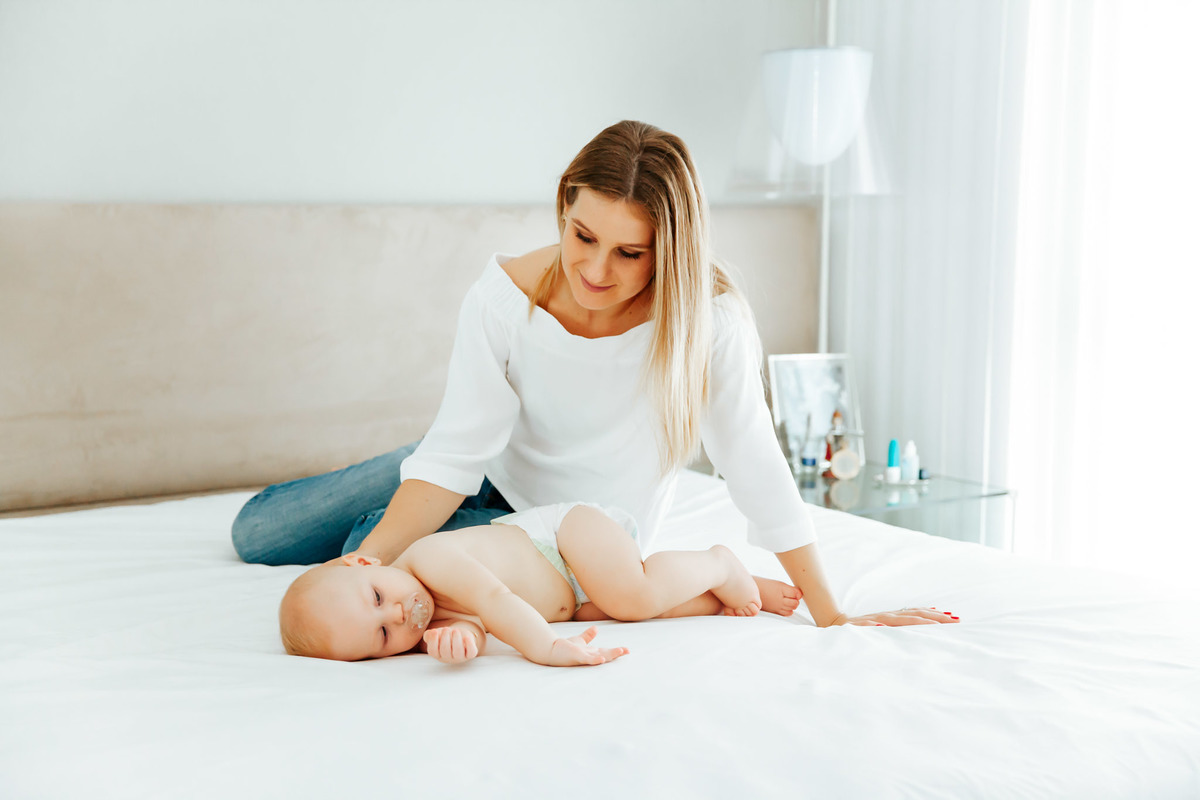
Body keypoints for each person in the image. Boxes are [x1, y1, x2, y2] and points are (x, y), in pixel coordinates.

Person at [234, 119, 956, 630]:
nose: (595, 271)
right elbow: (456, 455)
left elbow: (753, 461)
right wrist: (367, 567)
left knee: (389, 574)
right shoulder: (505, 299)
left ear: (669, 250)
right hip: (475, 472)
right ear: (564, 205)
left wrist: (831, 612)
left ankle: (727, 576)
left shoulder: (709, 321)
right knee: (261, 537)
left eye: (629, 253)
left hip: (562, 532)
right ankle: (399, 485)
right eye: (583, 236)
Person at [279, 502, 803, 665]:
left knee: (634, 598)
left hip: (564, 538)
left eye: (377, 598)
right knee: (635, 610)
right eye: (381, 636)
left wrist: (547, 647)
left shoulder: (430, 557)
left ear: (364, 563)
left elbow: (495, 600)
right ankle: (724, 593)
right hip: (570, 596)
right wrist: (460, 643)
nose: (396, 615)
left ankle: (720, 563)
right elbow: (480, 625)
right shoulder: (420, 629)